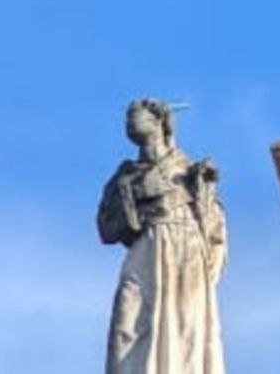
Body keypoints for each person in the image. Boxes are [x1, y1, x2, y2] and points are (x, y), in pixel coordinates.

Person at [98, 99, 226, 374]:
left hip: (183, 248)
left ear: (160, 122)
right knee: (127, 320)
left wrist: (204, 192)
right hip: (146, 250)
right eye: (128, 116)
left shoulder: (187, 171)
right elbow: (106, 228)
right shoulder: (125, 175)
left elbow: (214, 231)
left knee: (185, 326)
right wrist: (141, 191)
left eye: (137, 115)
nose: (130, 120)